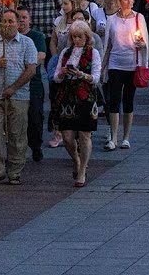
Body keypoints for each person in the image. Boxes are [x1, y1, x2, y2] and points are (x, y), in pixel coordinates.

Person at [0, 9, 39, 185]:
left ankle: (14, 171)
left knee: (16, 134)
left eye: (11, 21)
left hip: (18, 95)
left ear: (17, 23)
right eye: (4, 21)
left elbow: (31, 70)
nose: (7, 25)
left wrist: (13, 88)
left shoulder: (27, 43)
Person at [54, 21, 100, 187]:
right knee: (67, 136)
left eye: (80, 37)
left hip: (85, 95)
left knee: (84, 134)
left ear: (87, 37)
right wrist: (62, 72)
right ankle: (76, 159)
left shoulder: (93, 53)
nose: (77, 40)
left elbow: (96, 77)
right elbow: (56, 77)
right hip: (67, 95)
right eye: (73, 37)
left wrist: (82, 74)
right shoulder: (66, 52)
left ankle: (82, 170)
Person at [100, 0, 147, 149]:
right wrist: (102, 68)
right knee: (114, 99)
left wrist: (142, 45)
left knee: (128, 100)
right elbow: (107, 45)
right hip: (115, 63)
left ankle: (126, 136)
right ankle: (113, 137)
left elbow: (145, 42)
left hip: (131, 64)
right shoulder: (112, 20)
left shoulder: (139, 18)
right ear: (119, 1)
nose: (128, 2)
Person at [14, 7, 48, 163]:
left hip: (33, 83)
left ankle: (36, 146)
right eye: (18, 17)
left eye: (24, 17)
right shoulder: (11, 37)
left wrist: (23, 62)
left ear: (29, 19)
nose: (21, 20)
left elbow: (40, 57)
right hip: (14, 83)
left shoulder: (37, 36)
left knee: (35, 116)